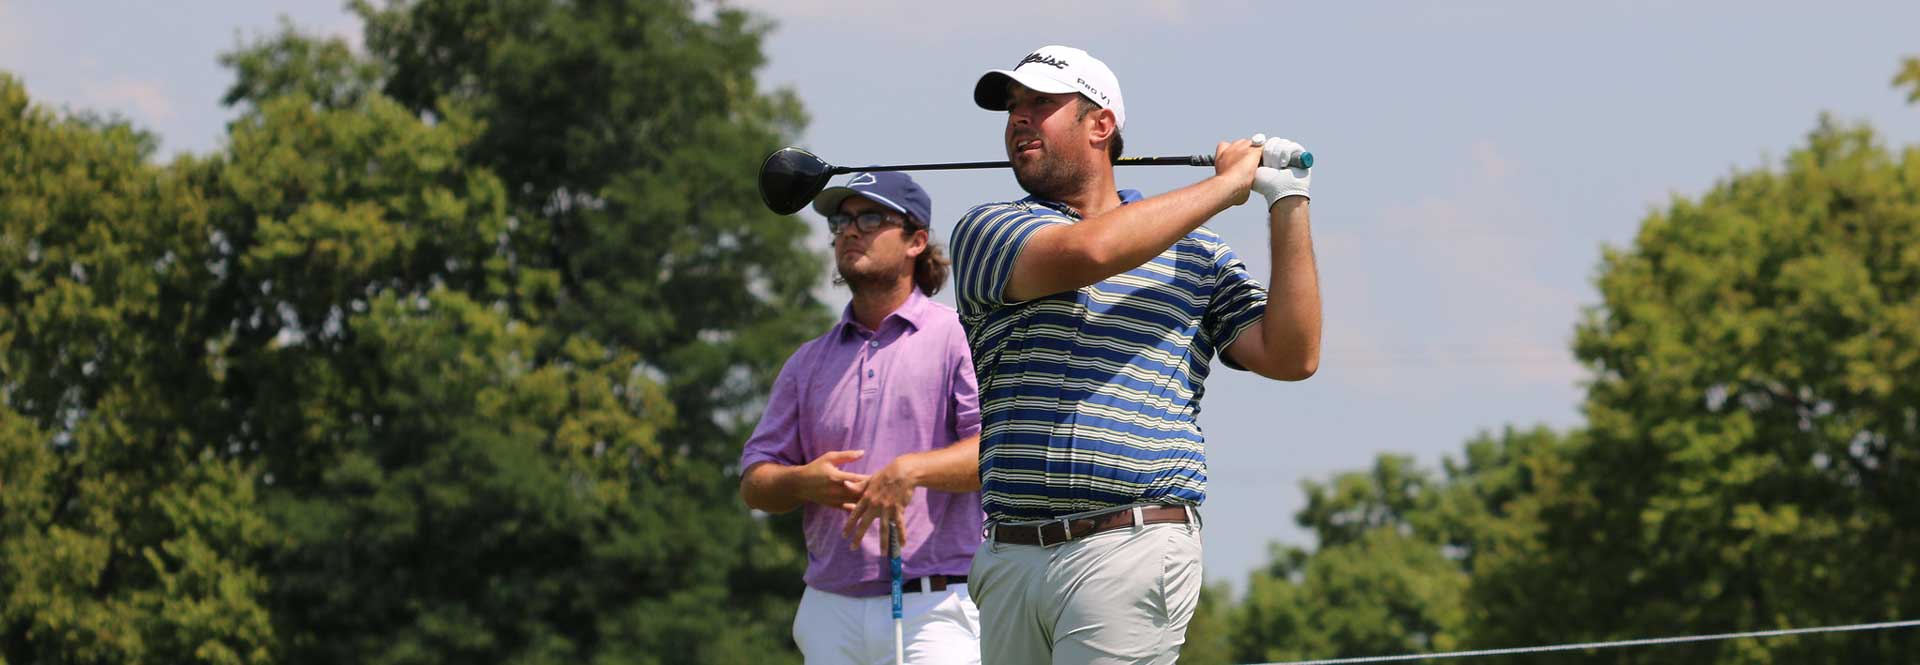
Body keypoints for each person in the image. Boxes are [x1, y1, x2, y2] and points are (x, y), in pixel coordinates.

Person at [949, 44, 1323, 664]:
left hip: (1131, 543)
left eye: (1040, 104)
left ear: (1101, 125)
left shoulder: (1196, 256)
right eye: (1012, 108)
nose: (1018, 119)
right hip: (1011, 554)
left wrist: (1288, 202)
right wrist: (1226, 185)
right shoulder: (989, 229)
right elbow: (1090, 253)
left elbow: (1291, 354)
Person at [739, 171, 985, 665]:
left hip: (937, 604)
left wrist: (910, 471)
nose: (850, 231)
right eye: (842, 220)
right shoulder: (807, 361)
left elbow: (995, 451)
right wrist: (803, 482)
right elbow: (755, 482)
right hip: (831, 609)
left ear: (917, 240)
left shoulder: (959, 336)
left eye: (871, 218)